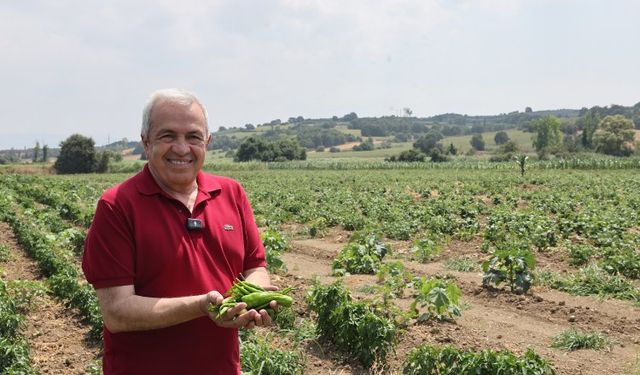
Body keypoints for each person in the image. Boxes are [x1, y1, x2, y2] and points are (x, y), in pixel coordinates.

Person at [82, 88, 276, 374]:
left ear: (207, 142)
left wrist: (253, 299)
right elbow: (117, 313)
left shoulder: (231, 193)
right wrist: (201, 306)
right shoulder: (117, 206)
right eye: (168, 135)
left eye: (193, 137)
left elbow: (254, 266)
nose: (182, 148)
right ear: (146, 143)